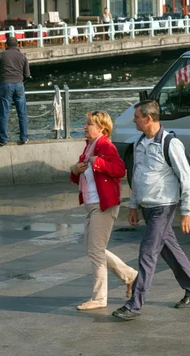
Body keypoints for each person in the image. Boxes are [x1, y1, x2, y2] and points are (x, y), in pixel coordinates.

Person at [112, 100, 190, 321]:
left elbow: (187, 178)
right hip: (147, 206)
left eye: (136, 117)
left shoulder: (170, 144)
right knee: (168, 249)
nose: (133, 120)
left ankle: (134, 305)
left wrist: (187, 210)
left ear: (148, 118)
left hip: (163, 206)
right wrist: (133, 205)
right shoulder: (139, 143)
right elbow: (137, 176)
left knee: (147, 252)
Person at [70, 110, 138, 311]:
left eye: (89, 124)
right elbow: (81, 176)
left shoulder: (105, 146)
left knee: (96, 251)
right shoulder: (90, 147)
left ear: (101, 128)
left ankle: (100, 298)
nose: (85, 127)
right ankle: (130, 276)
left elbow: (120, 169)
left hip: (104, 205)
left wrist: (97, 163)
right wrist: (75, 170)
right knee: (92, 248)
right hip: (92, 203)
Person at [0, 36, 30, 146]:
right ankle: (24, 137)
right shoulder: (23, 56)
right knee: (22, 113)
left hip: (5, 84)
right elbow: (27, 74)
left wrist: (1, 78)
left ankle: (3, 139)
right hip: (19, 85)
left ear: (6, 44)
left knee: (4, 113)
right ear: (17, 45)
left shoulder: (1, 55)